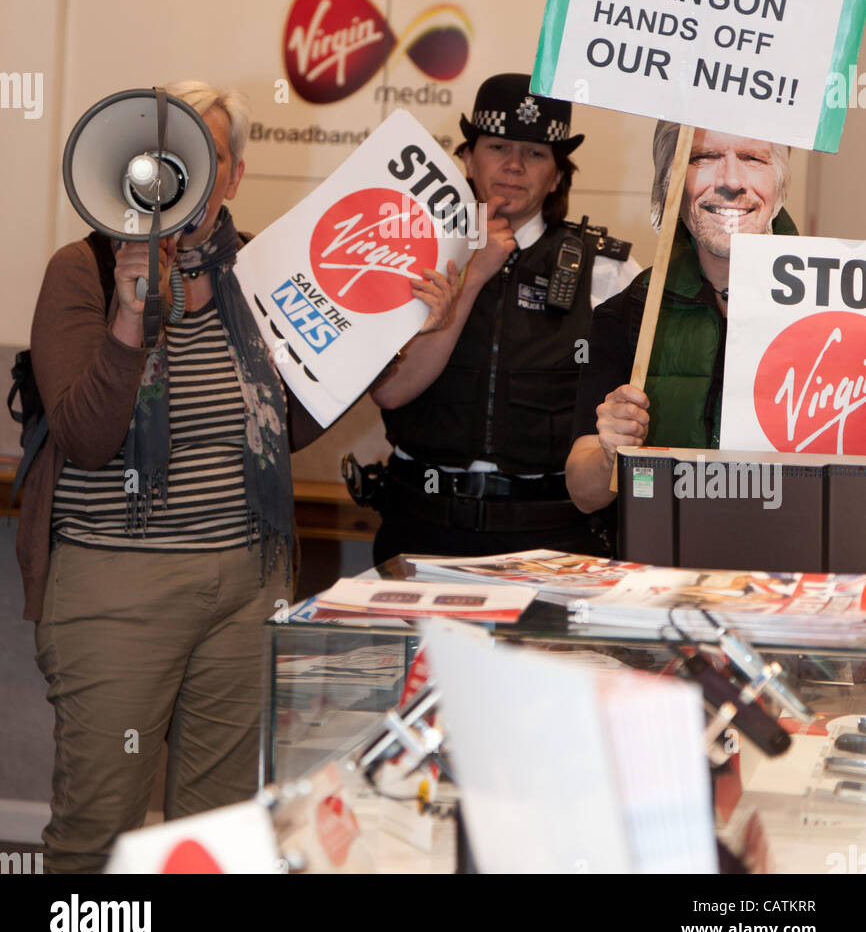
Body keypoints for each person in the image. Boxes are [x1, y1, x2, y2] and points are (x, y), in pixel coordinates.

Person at [17, 77, 457, 874]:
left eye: (206, 154)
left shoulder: (260, 273)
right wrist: (127, 321)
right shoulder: (81, 269)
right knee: (97, 835)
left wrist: (385, 334)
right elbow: (82, 438)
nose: (183, 170)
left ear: (235, 175)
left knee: (215, 836)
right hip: (118, 588)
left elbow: (287, 426)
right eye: (167, 150)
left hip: (246, 584)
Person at [366, 72, 640, 562]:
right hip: (420, 530)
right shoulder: (404, 252)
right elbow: (389, 389)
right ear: (467, 159)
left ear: (557, 175)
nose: (513, 164)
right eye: (497, 147)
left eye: (535, 153)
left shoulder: (608, 273)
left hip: (551, 541)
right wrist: (472, 275)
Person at [565, 121, 795, 519]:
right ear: (669, 181)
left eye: (752, 158)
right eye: (703, 157)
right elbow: (584, 494)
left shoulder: (839, 311)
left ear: (779, 181)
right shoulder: (627, 312)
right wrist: (609, 452)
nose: (732, 181)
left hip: (798, 567)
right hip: (665, 569)